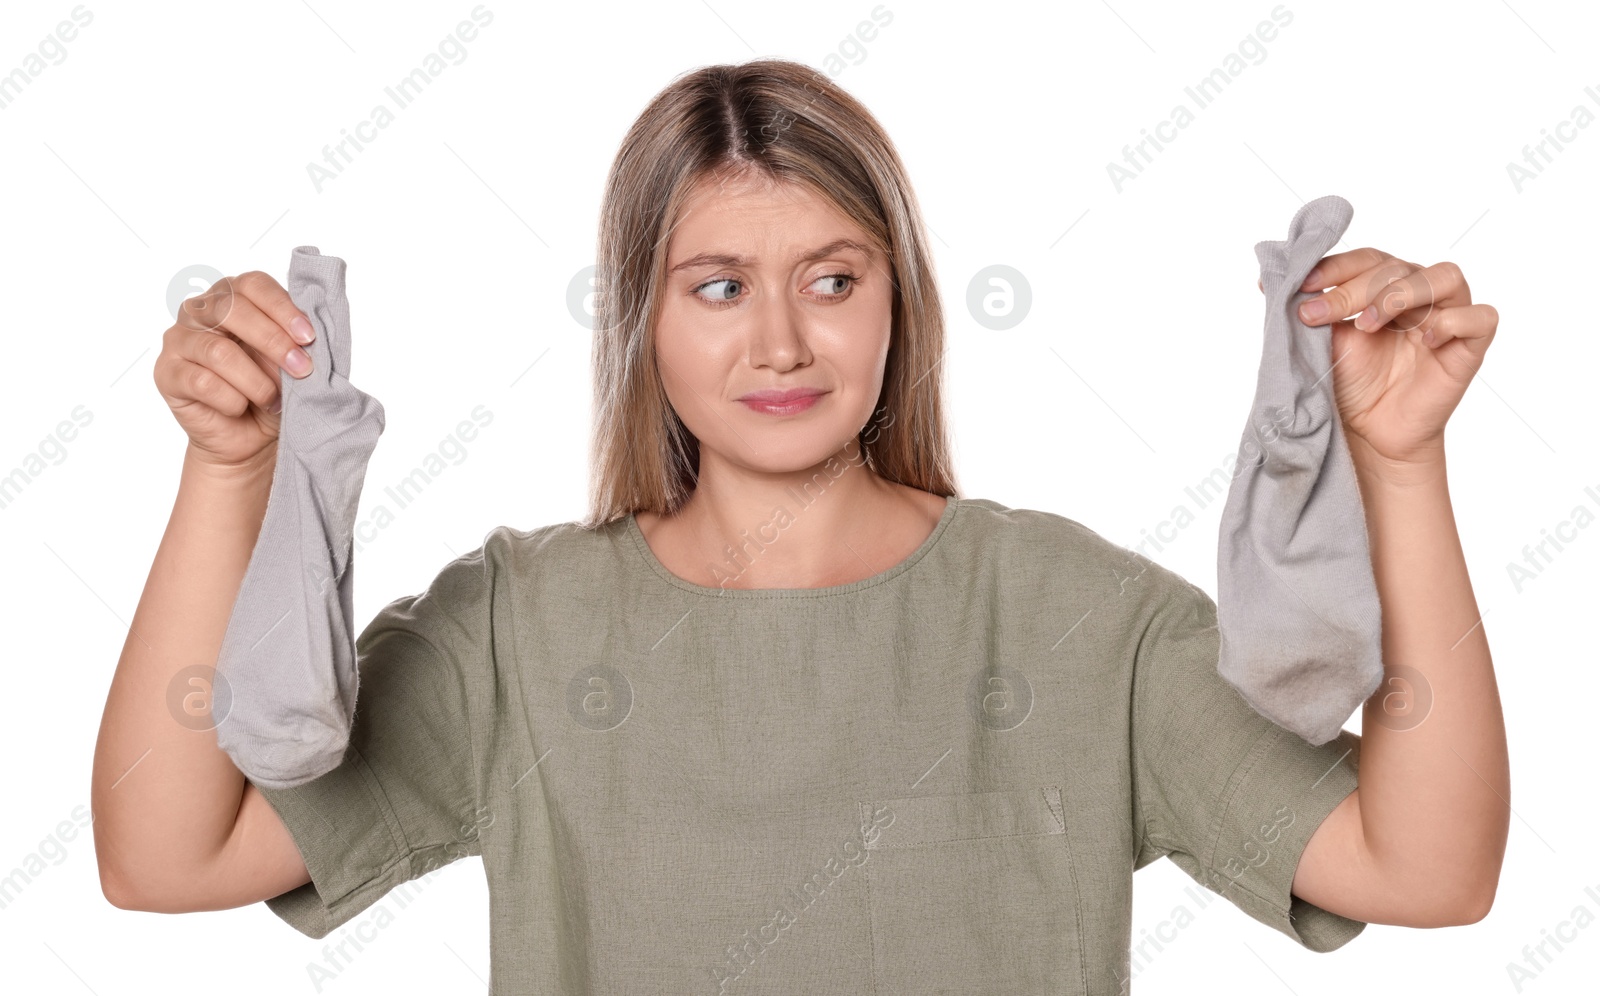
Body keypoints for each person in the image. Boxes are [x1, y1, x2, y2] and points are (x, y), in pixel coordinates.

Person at [92, 59, 1508, 993]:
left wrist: (1400, 462)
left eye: (831, 279)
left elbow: (1424, 871)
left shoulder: (1071, 618)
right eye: (716, 287)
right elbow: (166, 856)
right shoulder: (526, 630)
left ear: (898, 301)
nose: (779, 340)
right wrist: (232, 472)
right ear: (641, 320)